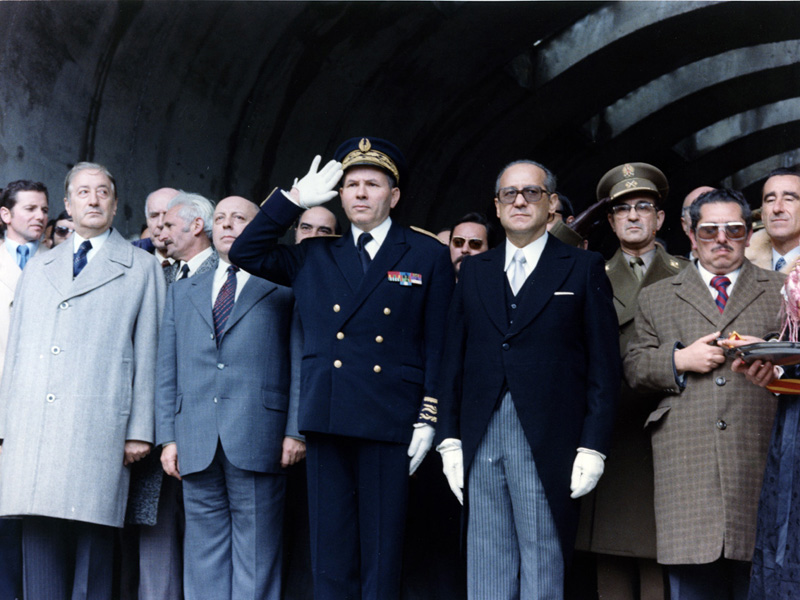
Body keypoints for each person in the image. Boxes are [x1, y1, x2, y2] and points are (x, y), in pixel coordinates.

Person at [228, 137, 454, 600]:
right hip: (329, 416)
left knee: (382, 553)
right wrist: (292, 201)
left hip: (391, 418)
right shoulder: (316, 253)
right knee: (330, 553)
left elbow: (440, 342)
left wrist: (430, 415)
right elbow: (244, 253)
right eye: (351, 185)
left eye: (373, 184)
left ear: (394, 195)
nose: (361, 193)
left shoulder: (425, 253)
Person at [437, 159, 620, 599]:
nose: (520, 201)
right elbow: (452, 361)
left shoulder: (583, 267)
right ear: (498, 207)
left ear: (551, 204)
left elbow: (604, 367)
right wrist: (449, 439)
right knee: (485, 562)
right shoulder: (475, 270)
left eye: (531, 192)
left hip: (548, 438)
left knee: (543, 562)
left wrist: (592, 446)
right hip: (480, 434)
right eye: (510, 194)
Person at [0, 162, 165, 599]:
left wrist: (139, 430)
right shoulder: (40, 266)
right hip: (34, 433)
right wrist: (3, 427)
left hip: (98, 431)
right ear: (68, 205)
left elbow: (150, 352)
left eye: (102, 192)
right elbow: (15, 353)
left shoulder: (141, 267)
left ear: (115, 204)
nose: (93, 200)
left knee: (93, 557)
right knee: (39, 555)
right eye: (83, 192)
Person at [624, 188, 784, 599]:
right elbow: (633, 367)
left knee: (765, 581)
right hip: (687, 470)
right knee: (692, 587)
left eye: (734, 229)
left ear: (750, 233)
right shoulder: (657, 295)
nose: (722, 239)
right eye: (710, 230)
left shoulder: (781, 290)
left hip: (760, 458)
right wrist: (679, 360)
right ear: (691, 234)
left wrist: (776, 362)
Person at [156, 195, 303, 599]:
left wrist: (295, 431)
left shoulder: (284, 286)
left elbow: (299, 361)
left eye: (240, 218)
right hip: (195, 437)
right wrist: (167, 438)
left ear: (261, 229)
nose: (227, 224)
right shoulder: (183, 291)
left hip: (261, 435)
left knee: (256, 552)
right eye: (220, 218)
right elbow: (167, 369)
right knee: (202, 552)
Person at [577, 163, 686, 600]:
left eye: (644, 206)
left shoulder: (687, 273)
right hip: (615, 434)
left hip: (670, 431)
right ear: (610, 221)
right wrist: (574, 229)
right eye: (622, 209)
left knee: (663, 565)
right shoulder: (589, 274)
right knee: (613, 565)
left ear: (660, 218)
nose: (634, 215)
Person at [0, 179, 50, 600]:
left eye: (44, 209)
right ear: (6, 214)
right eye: (30, 209)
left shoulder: (59, 261)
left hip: (40, 402)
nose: (40, 217)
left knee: (31, 512)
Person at [746, 168, 800, 274]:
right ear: (762, 214)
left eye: (788, 199)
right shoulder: (740, 266)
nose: (777, 208)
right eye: (770, 200)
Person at [133, 187, 180, 266]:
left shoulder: (197, 264)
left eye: (167, 214)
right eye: (154, 216)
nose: (160, 224)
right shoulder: (130, 263)